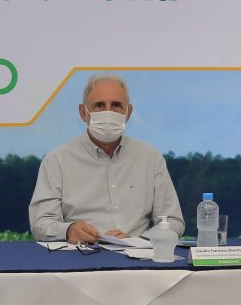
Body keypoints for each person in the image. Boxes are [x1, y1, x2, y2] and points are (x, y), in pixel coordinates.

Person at [29, 73, 183, 244]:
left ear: (128, 113)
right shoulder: (56, 161)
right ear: (83, 113)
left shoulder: (151, 158)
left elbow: (173, 221)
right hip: (80, 254)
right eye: (99, 105)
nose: (108, 112)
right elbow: (40, 224)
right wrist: (68, 230)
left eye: (116, 105)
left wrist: (137, 241)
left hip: (136, 255)